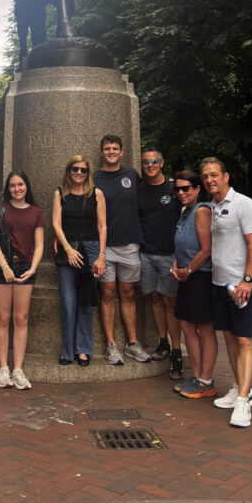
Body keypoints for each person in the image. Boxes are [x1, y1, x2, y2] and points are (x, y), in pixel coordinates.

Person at [201, 157, 252, 428]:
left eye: (214, 175)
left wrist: (247, 280)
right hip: (219, 285)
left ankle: (243, 402)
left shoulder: (244, 204)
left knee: (244, 341)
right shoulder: (213, 207)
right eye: (205, 176)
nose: (209, 180)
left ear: (226, 176)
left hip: (241, 286)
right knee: (229, 337)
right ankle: (242, 388)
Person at [93, 134, 151, 365]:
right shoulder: (94, 177)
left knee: (128, 294)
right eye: (107, 148)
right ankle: (110, 345)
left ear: (122, 152)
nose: (111, 152)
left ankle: (133, 343)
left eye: (115, 148)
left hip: (129, 244)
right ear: (102, 152)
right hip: (105, 247)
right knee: (107, 294)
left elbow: (145, 204)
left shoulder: (131, 175)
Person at [0, 171, 44, 389]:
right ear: (7, 188)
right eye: (12, 185)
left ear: (26, 186)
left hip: (25, 268)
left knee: (21, 319)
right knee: (2, 318)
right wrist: (4, 267)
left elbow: (39, 245)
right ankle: (3, 368)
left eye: (20, 184)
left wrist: (33, 268)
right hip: (2, 267)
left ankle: (18, 369)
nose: (16, 189)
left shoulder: (36, 212)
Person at [52, 155, 106, 366]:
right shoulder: (60, 194)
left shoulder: (97, 194)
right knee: (67, 302)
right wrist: (67, 249)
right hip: (69, 248)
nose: (79, 173)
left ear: (88, 173)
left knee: (85, 301)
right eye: (75, 169)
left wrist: (102, 255)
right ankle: (67, 350)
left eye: (83, 170)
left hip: (92, 249)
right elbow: (56, 223)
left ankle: (83, 350)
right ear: (69, 170)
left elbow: (102, 226)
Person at [170, 171, 218, 399]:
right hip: (186, 276)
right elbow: (181, 244)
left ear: (198, 188)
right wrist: (176, 264)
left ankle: (207, 381)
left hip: (200, 276)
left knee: (204, 328)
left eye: (186, 188)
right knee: (186, 326)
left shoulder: (202, 211)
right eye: (178, 189)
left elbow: (206, 249)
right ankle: (198, 376)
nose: (181, 193)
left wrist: (189, 270)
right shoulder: (184, 212)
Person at [137, 147, 183, 379]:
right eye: (146, 162)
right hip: (146, 253)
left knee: (170, 303)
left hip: (169, 254)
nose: (150, 165)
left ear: (162, 162)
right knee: (155, 297)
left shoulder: (174, 189)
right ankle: (163, 342)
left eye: (154, 161)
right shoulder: (140, 190)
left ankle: (177, 351)